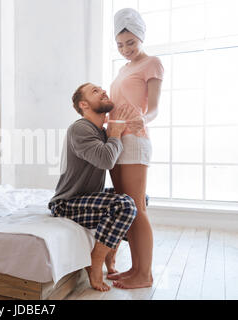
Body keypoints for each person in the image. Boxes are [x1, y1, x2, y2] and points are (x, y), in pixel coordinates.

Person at [48, 82, 137, 292]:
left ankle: (110, 258)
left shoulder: (101, 131)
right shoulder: (80, 128)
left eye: (101, 88)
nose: (104, 91)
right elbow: (106, 160)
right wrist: (114, 133)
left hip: (87, 199)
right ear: (84, 105)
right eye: (95, 91)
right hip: (67, 203)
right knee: (125, 205)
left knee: (139, 198)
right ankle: (95, 262)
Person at [105, 8, 164, 289]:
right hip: (116, 140)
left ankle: (145, 273)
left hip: (135, 140)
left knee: (137, 207)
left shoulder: (152, 64)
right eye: (120, 44)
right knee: (125, 207)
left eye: (130, 42)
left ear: (140, 37)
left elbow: (153, 110)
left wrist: (143, 119)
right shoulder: (123, 69)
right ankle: (135, 269)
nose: (125, 49)